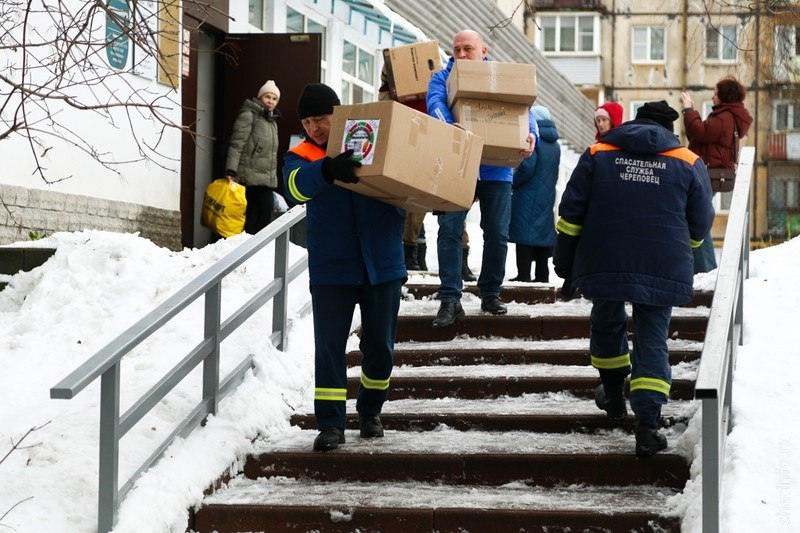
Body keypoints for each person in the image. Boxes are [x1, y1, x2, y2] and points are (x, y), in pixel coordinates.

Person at [553, 101, 715, 457]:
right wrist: (682, 249)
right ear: (670, 130)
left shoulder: (599, 153)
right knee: (652, 336)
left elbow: (571, 212)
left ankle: (613, 394)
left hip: (605, 255)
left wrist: (565, 263)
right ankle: (647, 426)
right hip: (661, 261)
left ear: (634, 121)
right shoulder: (688, 161)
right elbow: (701, 223)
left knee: (606, 319)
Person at [282, 83, 406, 452]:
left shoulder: (370, 140)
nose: (313, 128)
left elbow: (408, 171)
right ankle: (331, 425)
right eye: (306, 122)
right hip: (331, 268)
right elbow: (294, 189)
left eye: (319, 119)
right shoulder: (300, 155)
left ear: (337, 114)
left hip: (382, 262)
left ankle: (370, 411)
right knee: (330, 348)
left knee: (380, 347)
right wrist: (326, 169)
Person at [427, 29, 538, 327]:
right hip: (457, 164)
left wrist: (531, 135)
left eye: (468, 49)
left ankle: (490, 293)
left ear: (483, 51)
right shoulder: (442, 78)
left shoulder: (499, 76)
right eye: (457, 50)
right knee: (449, 229)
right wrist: (449, 126)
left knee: (497, 233)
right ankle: (450, 299)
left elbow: (524, 109)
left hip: (496, 167)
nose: (461, 55)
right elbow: (435, 103)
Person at [680, 76, 753, 274]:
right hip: (711, 173)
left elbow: (699, 132)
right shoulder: (726, 116)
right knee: (696, 217)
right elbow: (700, 136)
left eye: (715, 93)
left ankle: (706, 268)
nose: (712, 96)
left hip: (709, 174)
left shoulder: (724, 118)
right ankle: (702, 267)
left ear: (724, 96)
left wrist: (689, 109)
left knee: (697, 219)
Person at [509, 105, 560, 283]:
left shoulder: (534, 140)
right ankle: (542, 275)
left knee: (524, 235)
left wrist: (511, 181)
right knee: (541, 236)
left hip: (527, 195)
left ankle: (523, 275)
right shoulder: (555, 145)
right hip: (546, 196)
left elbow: (526, 169)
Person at [225, 80, 283, 235]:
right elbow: (237, 144)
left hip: (266, 180)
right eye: (267, 97)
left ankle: (260, 250)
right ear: (260, 97)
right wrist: (231, 170)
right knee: (250, 222)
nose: (270, 101)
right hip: (248, 179)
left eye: (274, 98)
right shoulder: (249, 115)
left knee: (265, 221)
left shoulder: (272, 121)